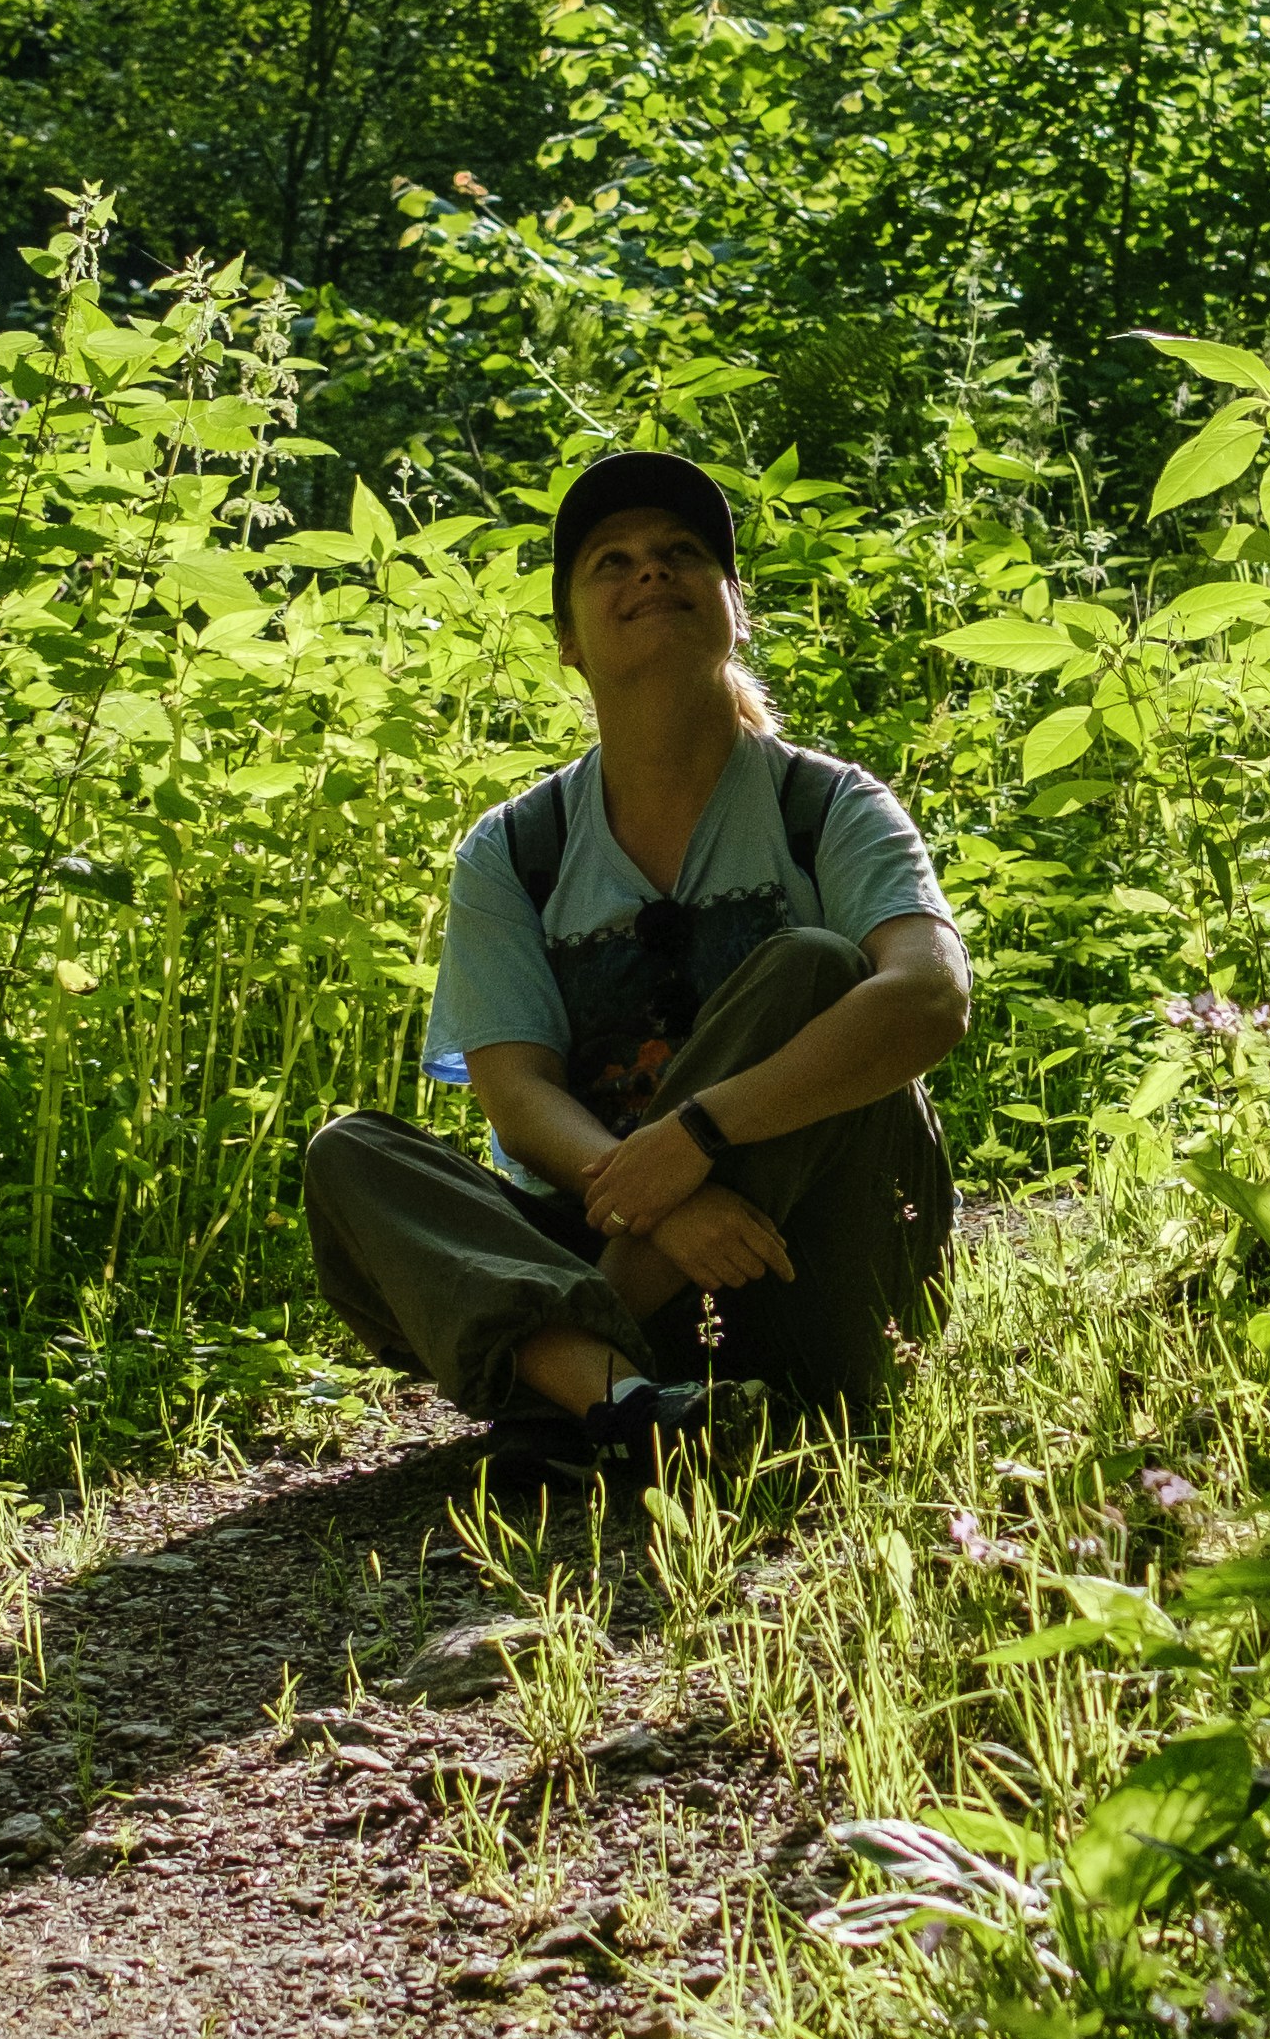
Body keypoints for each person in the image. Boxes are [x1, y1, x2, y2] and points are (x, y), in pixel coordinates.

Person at [303, 450, 971, 1481]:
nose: (648, 573)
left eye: (680, 554)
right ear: (568, 641)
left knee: (815, 968)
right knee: (350, 1157)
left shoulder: (827, 806)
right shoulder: (514, 848)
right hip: (614, 1238)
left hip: (810, 1271)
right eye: (609, 562)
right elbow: (516, 1096)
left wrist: (697, 1136)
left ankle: (572, 1378)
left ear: (733, 611)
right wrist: (662, 1200)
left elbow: (929, 995)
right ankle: (634, 1410)